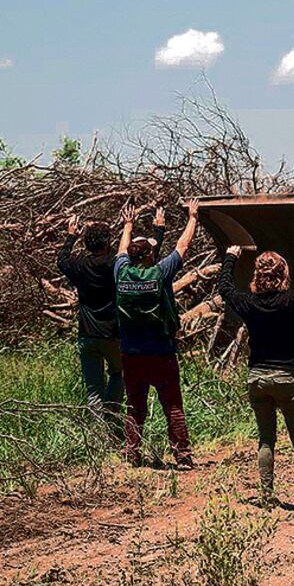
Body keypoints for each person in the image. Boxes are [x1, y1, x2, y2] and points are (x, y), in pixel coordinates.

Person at [218, 242, 294, 509]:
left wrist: (230, 258)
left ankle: (267, 496)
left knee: (266, 439)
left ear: (257, 277)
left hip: (257, 378)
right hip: (287, 378)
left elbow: (225, 289)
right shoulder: (291, 301)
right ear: (284, 275)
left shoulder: (248, 303)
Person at [57, 212, 162, 438]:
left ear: (86, 243)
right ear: (107, 242)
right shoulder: (114, 267)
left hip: (87, 335)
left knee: (93, 388)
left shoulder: (78, 265)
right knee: (118, 374)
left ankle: (98, 435)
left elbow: (61, 260)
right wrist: (129, 225)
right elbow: (128, 255)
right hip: (113, 333)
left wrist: (70, 236)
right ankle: (111, 416)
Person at [114, 199, 199, 467]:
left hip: (131, 353)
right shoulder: (161, 273)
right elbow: (182, 247)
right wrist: (193, 218)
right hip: (162, 352)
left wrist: (128, 225)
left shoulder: (121, 273)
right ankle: (182, 456)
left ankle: (131, 453)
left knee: (134, 406)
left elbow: (120, 251)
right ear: (150, 256)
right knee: (172, 405)